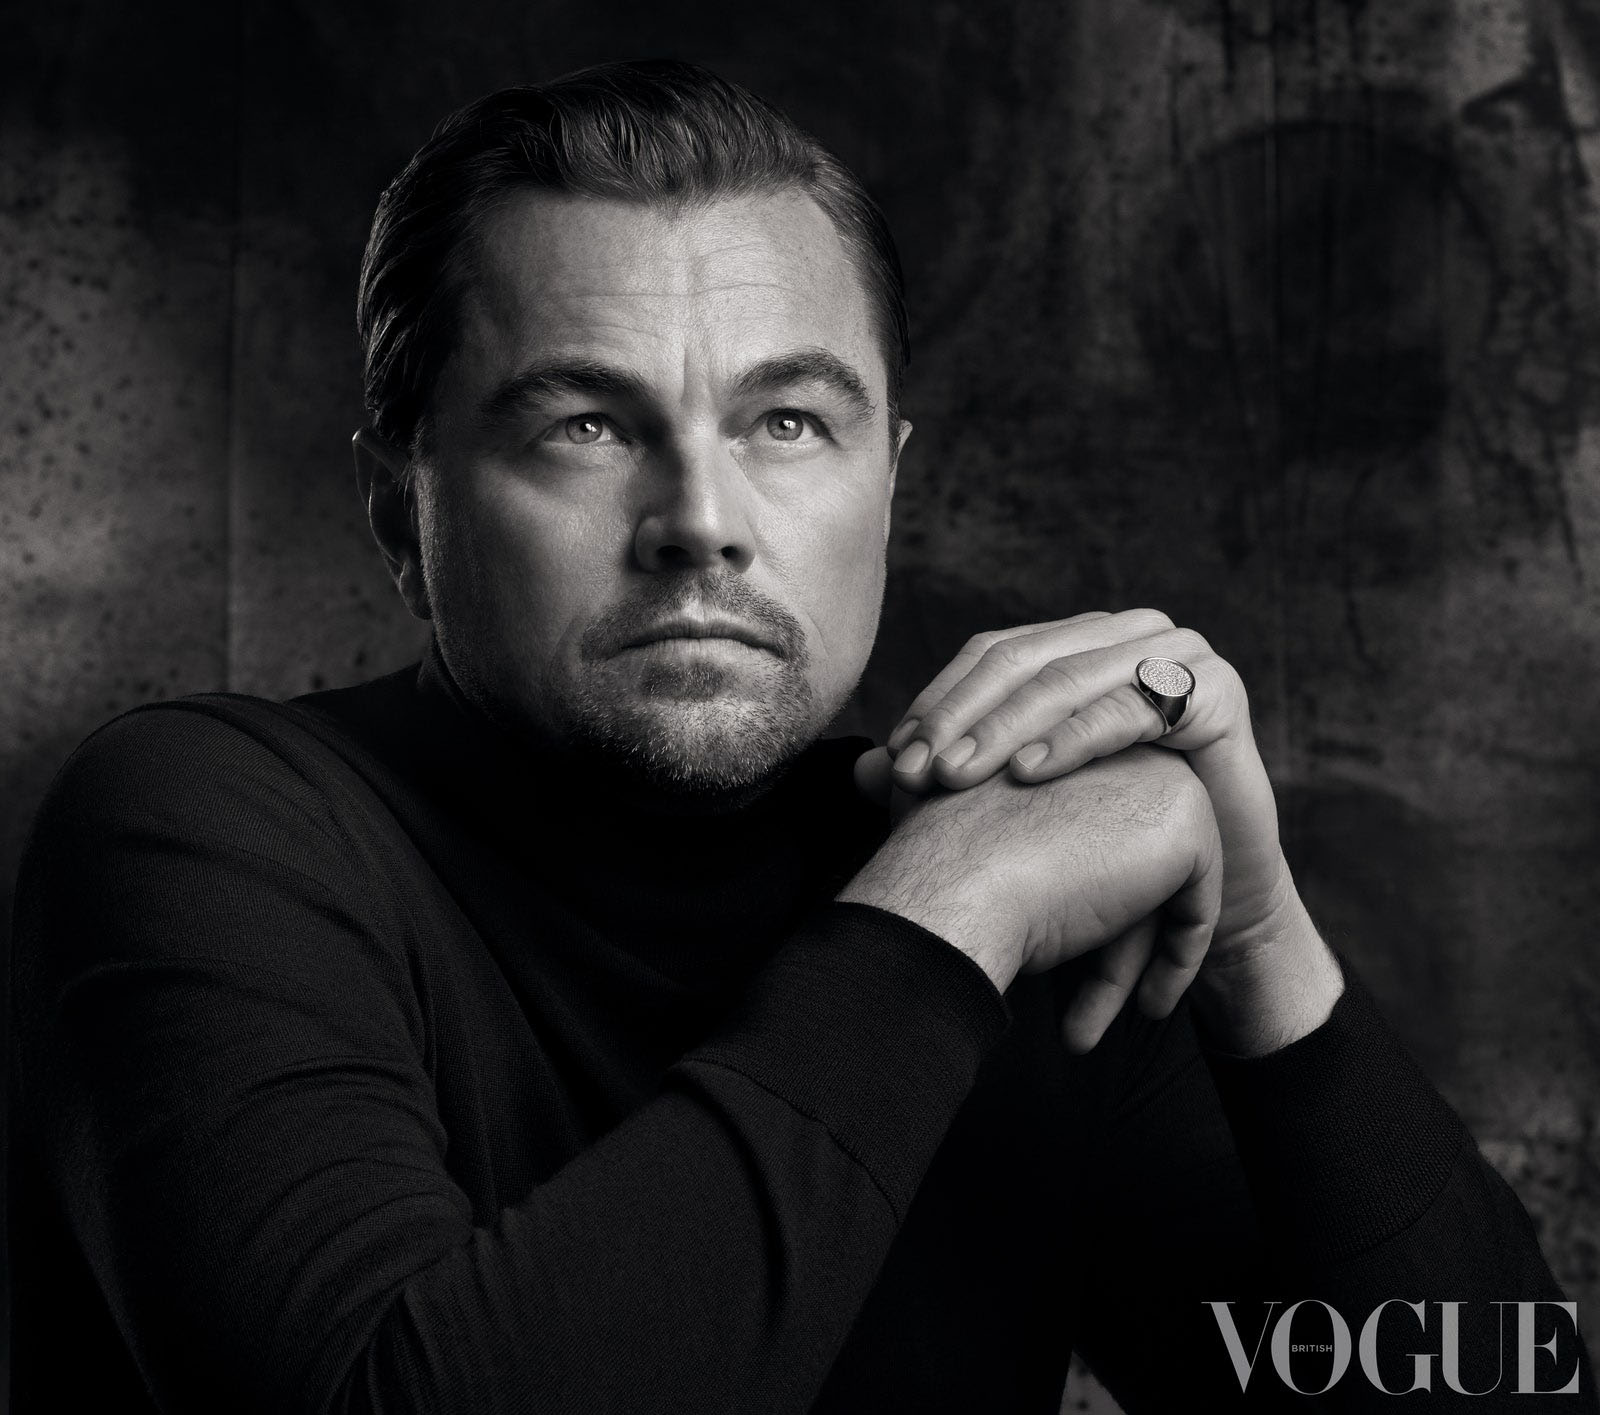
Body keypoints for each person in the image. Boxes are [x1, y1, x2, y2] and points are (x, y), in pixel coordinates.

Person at [7, 59, 1590, 1413]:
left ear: (886, 480)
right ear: (396, 508)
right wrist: (947, 913)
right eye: (585, 423)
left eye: (787, 422)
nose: (701, 520)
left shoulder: (1044, 890)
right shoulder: (202, 824)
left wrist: (1256, 935)